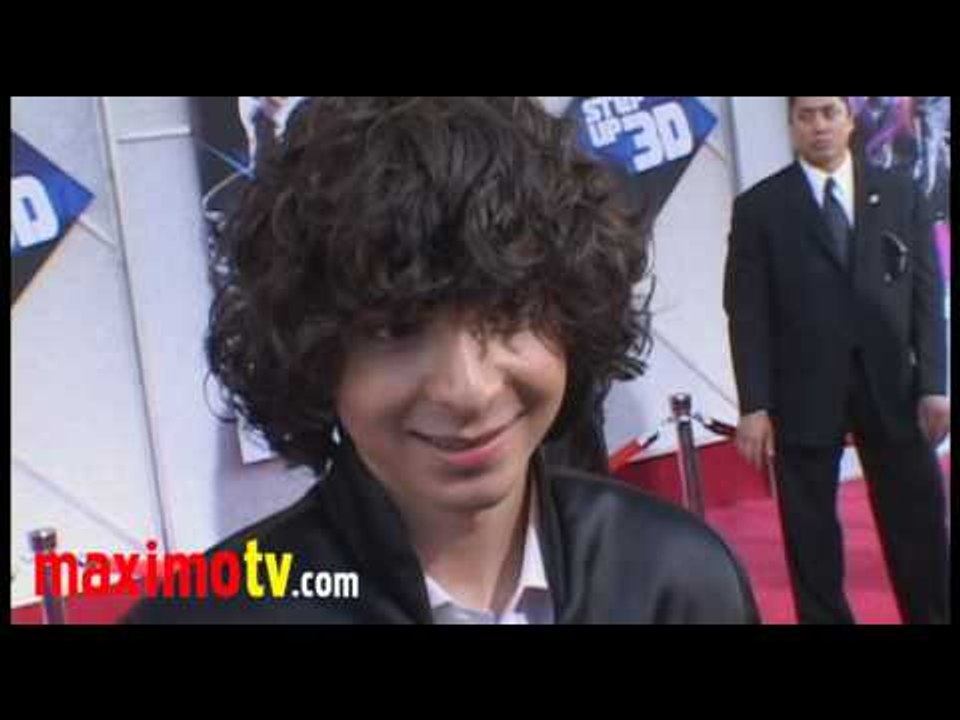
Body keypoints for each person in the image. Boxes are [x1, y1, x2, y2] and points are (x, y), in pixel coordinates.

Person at [126, 96, 757, 624]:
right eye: (396, 329)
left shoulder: (678, 582)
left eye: (507, 311)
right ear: (314, 353)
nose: (469, 389)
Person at [724, 96, 950, 624]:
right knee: (810, 536)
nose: (819, 126)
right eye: (806, 116)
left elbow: (926, 295)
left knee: (917, 525)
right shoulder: (760, 207)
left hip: (892, 385)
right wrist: (754, 403)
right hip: (803, 391)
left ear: (850, 120)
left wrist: (934, 384)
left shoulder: (900, 192)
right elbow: (746, 312)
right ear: (791, 125)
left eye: (829, 112)